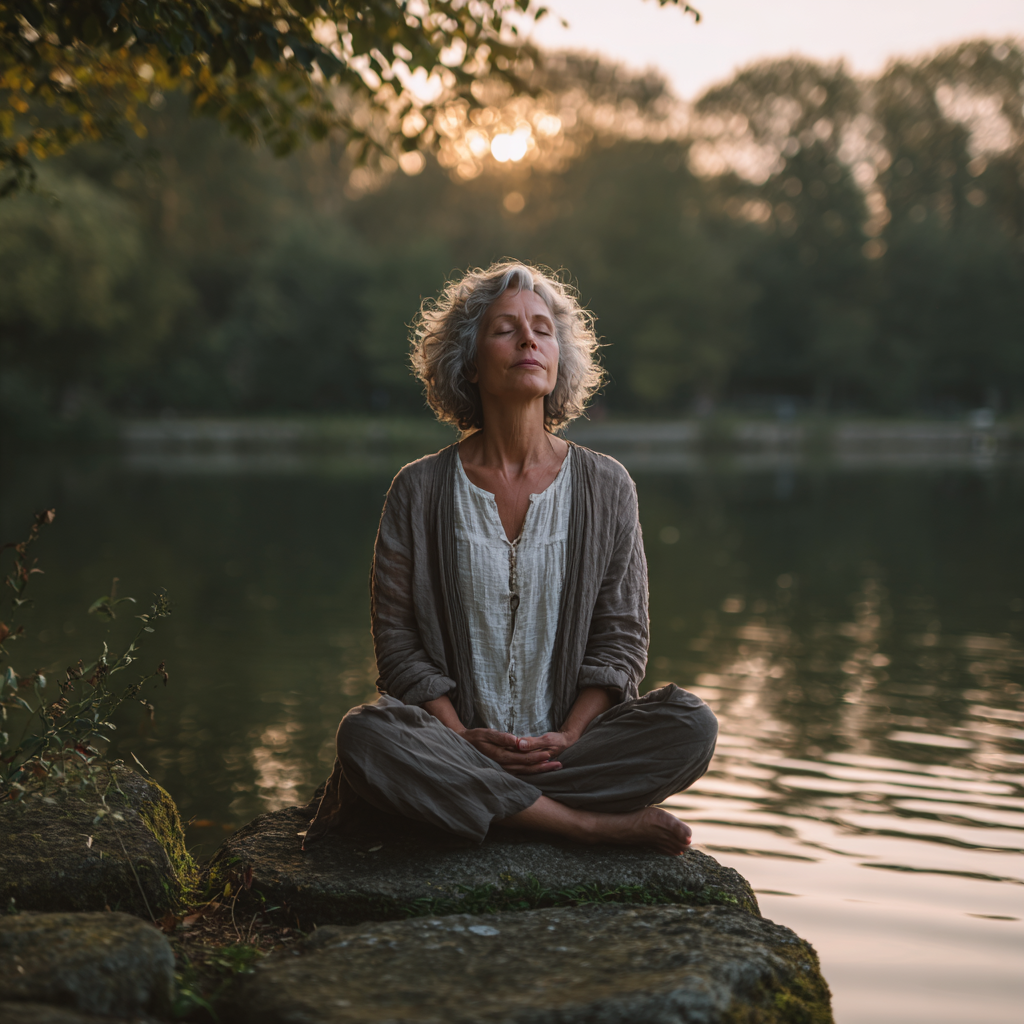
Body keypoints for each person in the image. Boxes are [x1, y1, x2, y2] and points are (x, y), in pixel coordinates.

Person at [304, 261, 717, 855]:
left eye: (543, 329)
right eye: (505, 329)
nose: (529, 339)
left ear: (558, 359)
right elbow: (398, 648)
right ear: (468, 362)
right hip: (454, 742)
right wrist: (462, 740)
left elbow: (622, 639)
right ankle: (581, 824)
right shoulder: (417, 490)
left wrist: (569, 736)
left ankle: (473, 804)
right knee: (368, 736)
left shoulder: (607, 485)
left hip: (569, 752)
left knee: (691, 726)